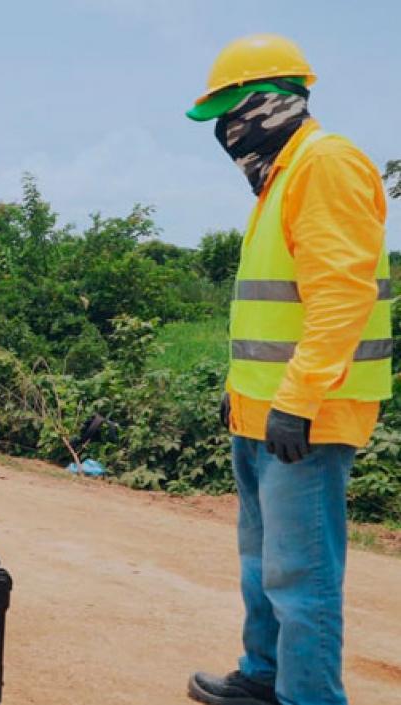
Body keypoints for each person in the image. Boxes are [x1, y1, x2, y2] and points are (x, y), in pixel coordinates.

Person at [184, 35, 392, 705]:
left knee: (302, 577)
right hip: (265, 411)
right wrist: (239, 394)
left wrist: (296, 399)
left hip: (309, 415)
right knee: (262, 565)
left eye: (231, 111)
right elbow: (272, 313)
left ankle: (309, 696)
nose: (225, 131)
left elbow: (341, 296)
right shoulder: (282, 173)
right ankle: (265, 675)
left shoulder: (325, 164)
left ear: (269, 103)